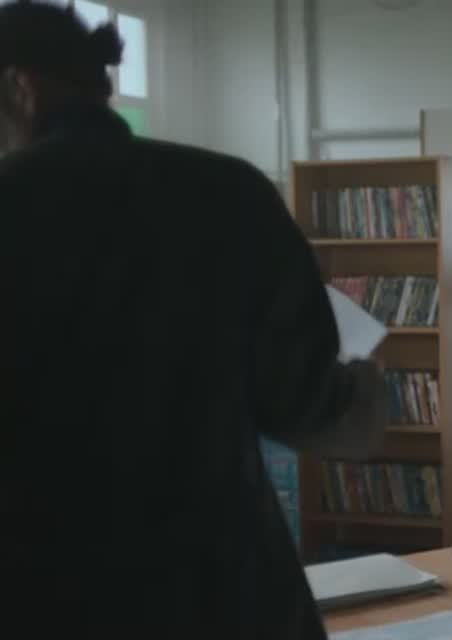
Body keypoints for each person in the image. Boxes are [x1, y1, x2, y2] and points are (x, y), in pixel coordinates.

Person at [0, 3, 386, 637]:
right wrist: (367, 384)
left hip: (48, 597)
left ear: (21, 87)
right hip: (230, 595)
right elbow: (313, 409)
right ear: (102, 84)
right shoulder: (230, 192)